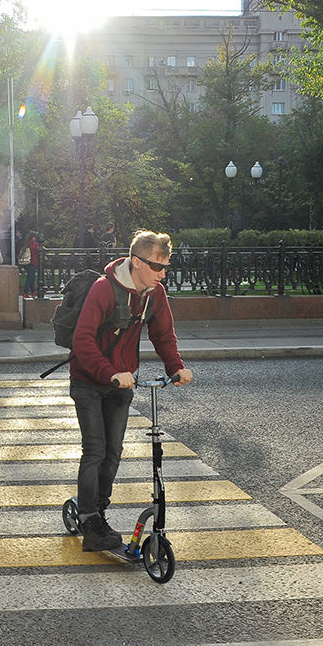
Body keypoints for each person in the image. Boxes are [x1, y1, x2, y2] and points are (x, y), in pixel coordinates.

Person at [69, 230, 194, 552]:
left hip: (121, 383)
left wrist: (175, 367)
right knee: (95, 451)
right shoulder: (103, 289)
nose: (163, 273)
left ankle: (98, 511)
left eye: (166, 266)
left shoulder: (156, 294)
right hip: (89, 381)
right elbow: (82, 339)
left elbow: (164, 335)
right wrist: (109, 373)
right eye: (157, 266)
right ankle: (89, 521)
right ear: (137, 262)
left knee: (113, 454)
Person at [21, 232, 42, 299]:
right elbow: (40, 251)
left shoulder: (26, 243)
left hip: (26, 263)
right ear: (33, 237)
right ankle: (25, 292)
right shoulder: (35, 244)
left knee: (32, 278)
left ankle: (33, 292)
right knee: (30, 278)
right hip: (33, 263)